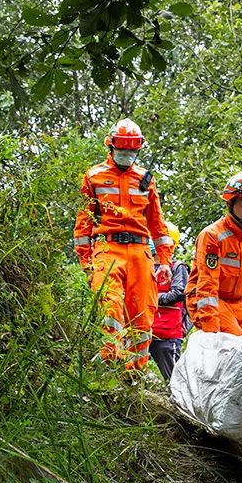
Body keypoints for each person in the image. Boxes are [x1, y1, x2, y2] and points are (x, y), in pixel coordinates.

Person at [72, 118, 174, 371]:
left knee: (142, 311)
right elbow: (83, 223)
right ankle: (111, 363)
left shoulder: (145, 179)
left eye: (132, 151)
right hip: (107, 249)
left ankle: (135, 372)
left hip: (140, 251)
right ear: (111, 147)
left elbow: (158, 225)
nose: (127, 155)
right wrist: (86, 262)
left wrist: (165, 261)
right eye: (123, 150)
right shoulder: (94, 177)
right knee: (110, 304)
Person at [185, 172, 242, 336]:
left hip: (237, 303)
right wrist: (211, 330)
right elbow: (206, 286)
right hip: (211, 299)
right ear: (231, 203)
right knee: (235, 342)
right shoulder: (212, 235)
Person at [149, 222, 190, 381]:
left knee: (173, 379)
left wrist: (150, 299)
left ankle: (181, 404)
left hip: (168, 332)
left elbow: (179, 293)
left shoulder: (177, 267)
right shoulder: (145, 266)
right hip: (145, 330)